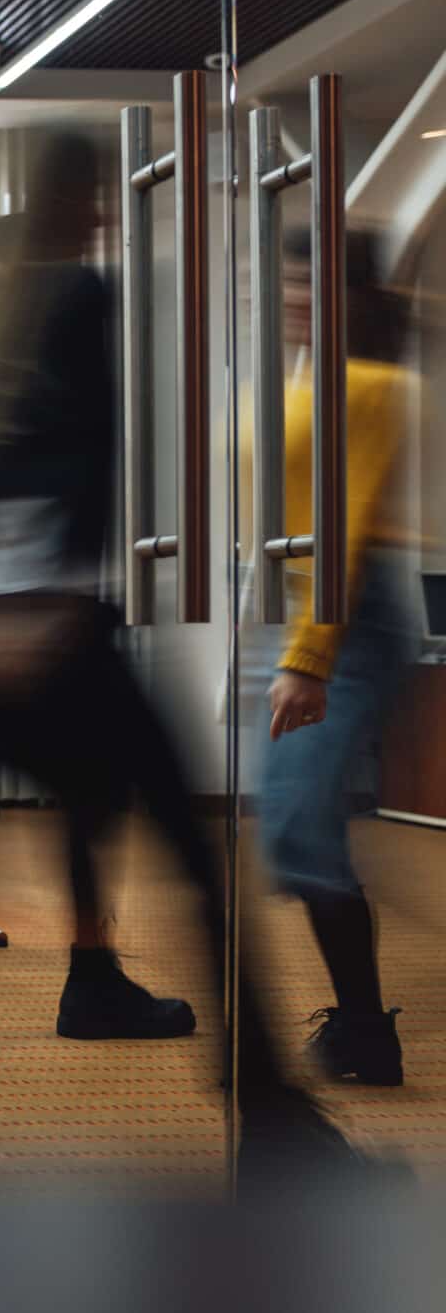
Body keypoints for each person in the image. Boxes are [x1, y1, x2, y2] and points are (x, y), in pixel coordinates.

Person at [0, 133, 360, 1178]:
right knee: (184, 839)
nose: (97, 218)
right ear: (71, 200)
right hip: (41, 625)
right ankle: (261, 1105)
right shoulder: (74, 297)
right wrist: (38, 600)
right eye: (90, 198)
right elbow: (93, 459)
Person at [250, 227, 419, 1087]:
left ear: (348, 297)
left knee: (299, 826)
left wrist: (311, 656)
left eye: (308, 284)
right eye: (285, 282)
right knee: (294, 827)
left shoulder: (371, 386)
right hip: (316, 610)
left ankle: (364, 1030)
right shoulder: (311, 381)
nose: (290, 298)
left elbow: (343, 526)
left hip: (351, 617)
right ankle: (360, 1027)